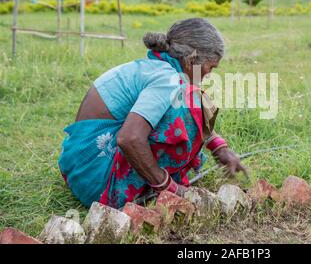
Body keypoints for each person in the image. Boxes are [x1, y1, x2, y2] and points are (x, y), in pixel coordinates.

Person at [58, 18, 248, 209]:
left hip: (80, 168)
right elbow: (130, 138)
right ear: (191, 60)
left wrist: (219, 148)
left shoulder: (157, 68)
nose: (209, 75)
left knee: (192, 99)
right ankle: (151, 184)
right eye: (210, 67)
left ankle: (152, 179)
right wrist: (168, 187)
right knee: (189, 106)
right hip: (98, 181)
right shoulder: (167, 79)